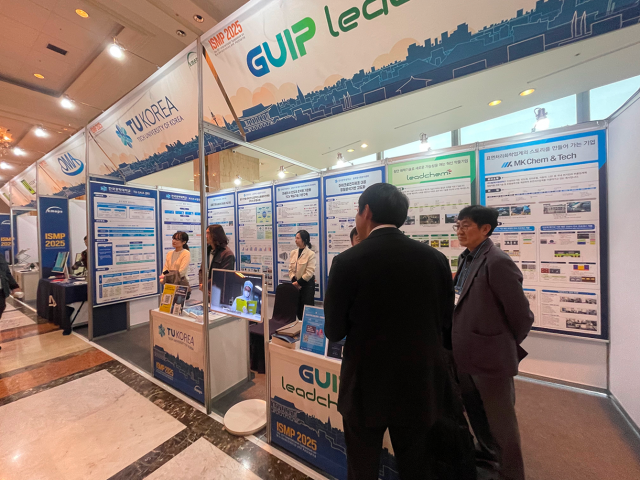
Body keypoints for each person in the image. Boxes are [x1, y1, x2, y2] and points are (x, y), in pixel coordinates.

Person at [324, 183, 455, 480]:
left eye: (357, 212)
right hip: (420, 383)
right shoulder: (435, 259)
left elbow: (334, 330)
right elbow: (446, 323)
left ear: (367, 212)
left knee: (362, 467)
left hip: (365, 385)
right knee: (417, 466)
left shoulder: (347, 261)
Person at [451, 205, 534, 480]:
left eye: (466, 225)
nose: (460, 231)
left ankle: (512, 473)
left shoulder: (497, 261)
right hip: (465, 353)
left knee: (501, 422)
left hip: (490, 357)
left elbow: (521, 315)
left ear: (485, 229)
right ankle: (488, 458)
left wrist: (502, 343)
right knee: (476, 414)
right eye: (458, 225)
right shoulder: (466, 258)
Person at [289, 230, 316, 319]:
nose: (295, 240)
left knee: (306, 313)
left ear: (304, 240)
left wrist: (298, 283)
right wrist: (294, 281)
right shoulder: (293, 252)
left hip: (306, 287)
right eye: (295, 238)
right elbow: (290, 270)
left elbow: (309, 273)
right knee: (297, 311)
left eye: (298, 238)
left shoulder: (311, 254)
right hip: (296, 286)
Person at [199, 224, 235, 289]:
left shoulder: (227, 254)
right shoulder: (207, 251)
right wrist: (202, 284)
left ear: (216, 235)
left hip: (219, 290)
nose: (206, 236)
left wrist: (206, 285)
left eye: (208, 233)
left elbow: (223, 276)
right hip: (206, 289)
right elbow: (202, 270)